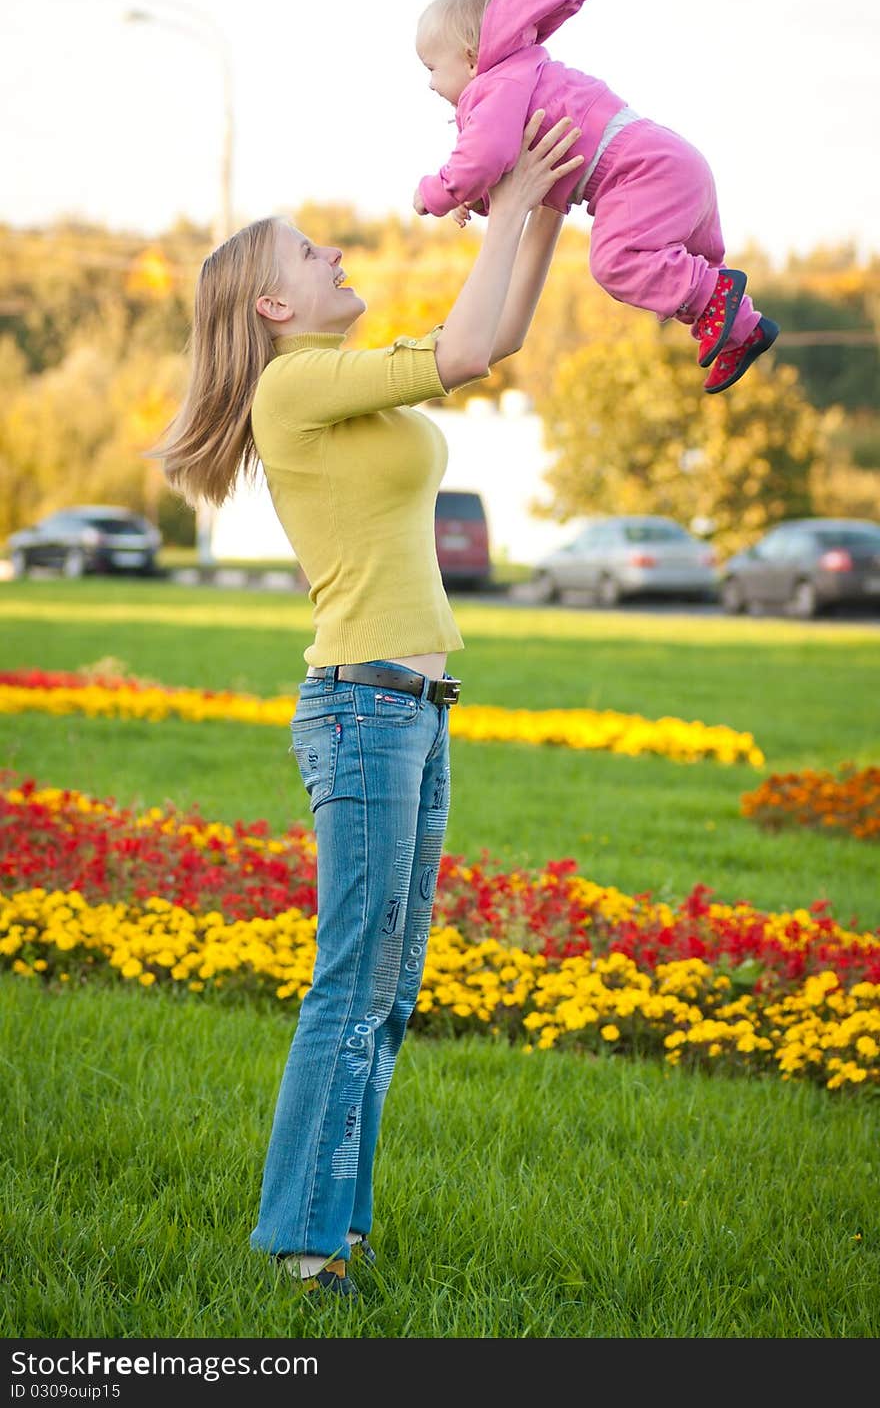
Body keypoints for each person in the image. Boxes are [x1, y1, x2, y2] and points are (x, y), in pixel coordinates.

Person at [151, 111, 584, 1301]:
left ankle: (334, 1224)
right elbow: (464, 351)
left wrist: (540, 211)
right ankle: (302, 1243)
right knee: (352, 981)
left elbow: (487, 331)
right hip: (360, 709)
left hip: (413, 704)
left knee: (387, 992)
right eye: (311, 254)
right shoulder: (296, 390)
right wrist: (504, 208)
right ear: (272, 309)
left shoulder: (345, 395)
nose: (336, 256)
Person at [413, 0, 779, 396]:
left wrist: (435, 193)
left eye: (432, 69)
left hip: (641, 173)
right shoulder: (526, 75)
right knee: (685, 270)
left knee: (617, 262)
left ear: (472, 59)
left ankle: (717, 293)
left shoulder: (495, 87)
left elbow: (484, 156)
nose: (430, 83)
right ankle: (744, 330)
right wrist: (474, 197)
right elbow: (511, 171)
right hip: (673, 165)